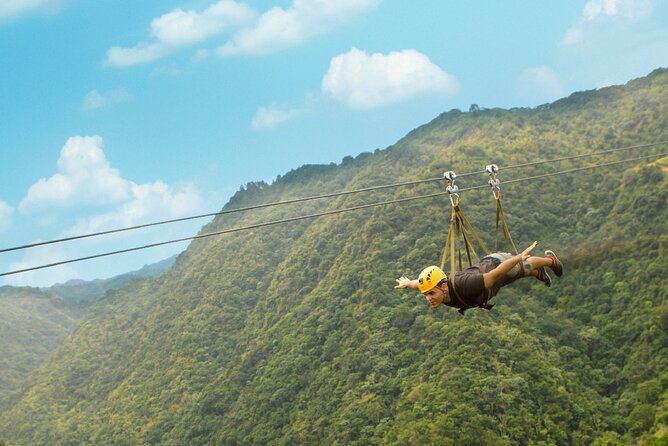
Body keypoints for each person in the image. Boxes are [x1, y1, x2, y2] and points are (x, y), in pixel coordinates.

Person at [395, 241, 563, 314]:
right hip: (490, 286)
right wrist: (407, 283)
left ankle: (551, 261)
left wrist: (518, 258)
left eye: (431, 294)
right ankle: (538, 273)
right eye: (426, 294)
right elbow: (419, 284)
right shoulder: (436, 285)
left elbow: (494, 274)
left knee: (523, 267)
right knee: (520, 273)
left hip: (497, 265)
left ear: (444, 287)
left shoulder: (465, 285)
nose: (428, 298)